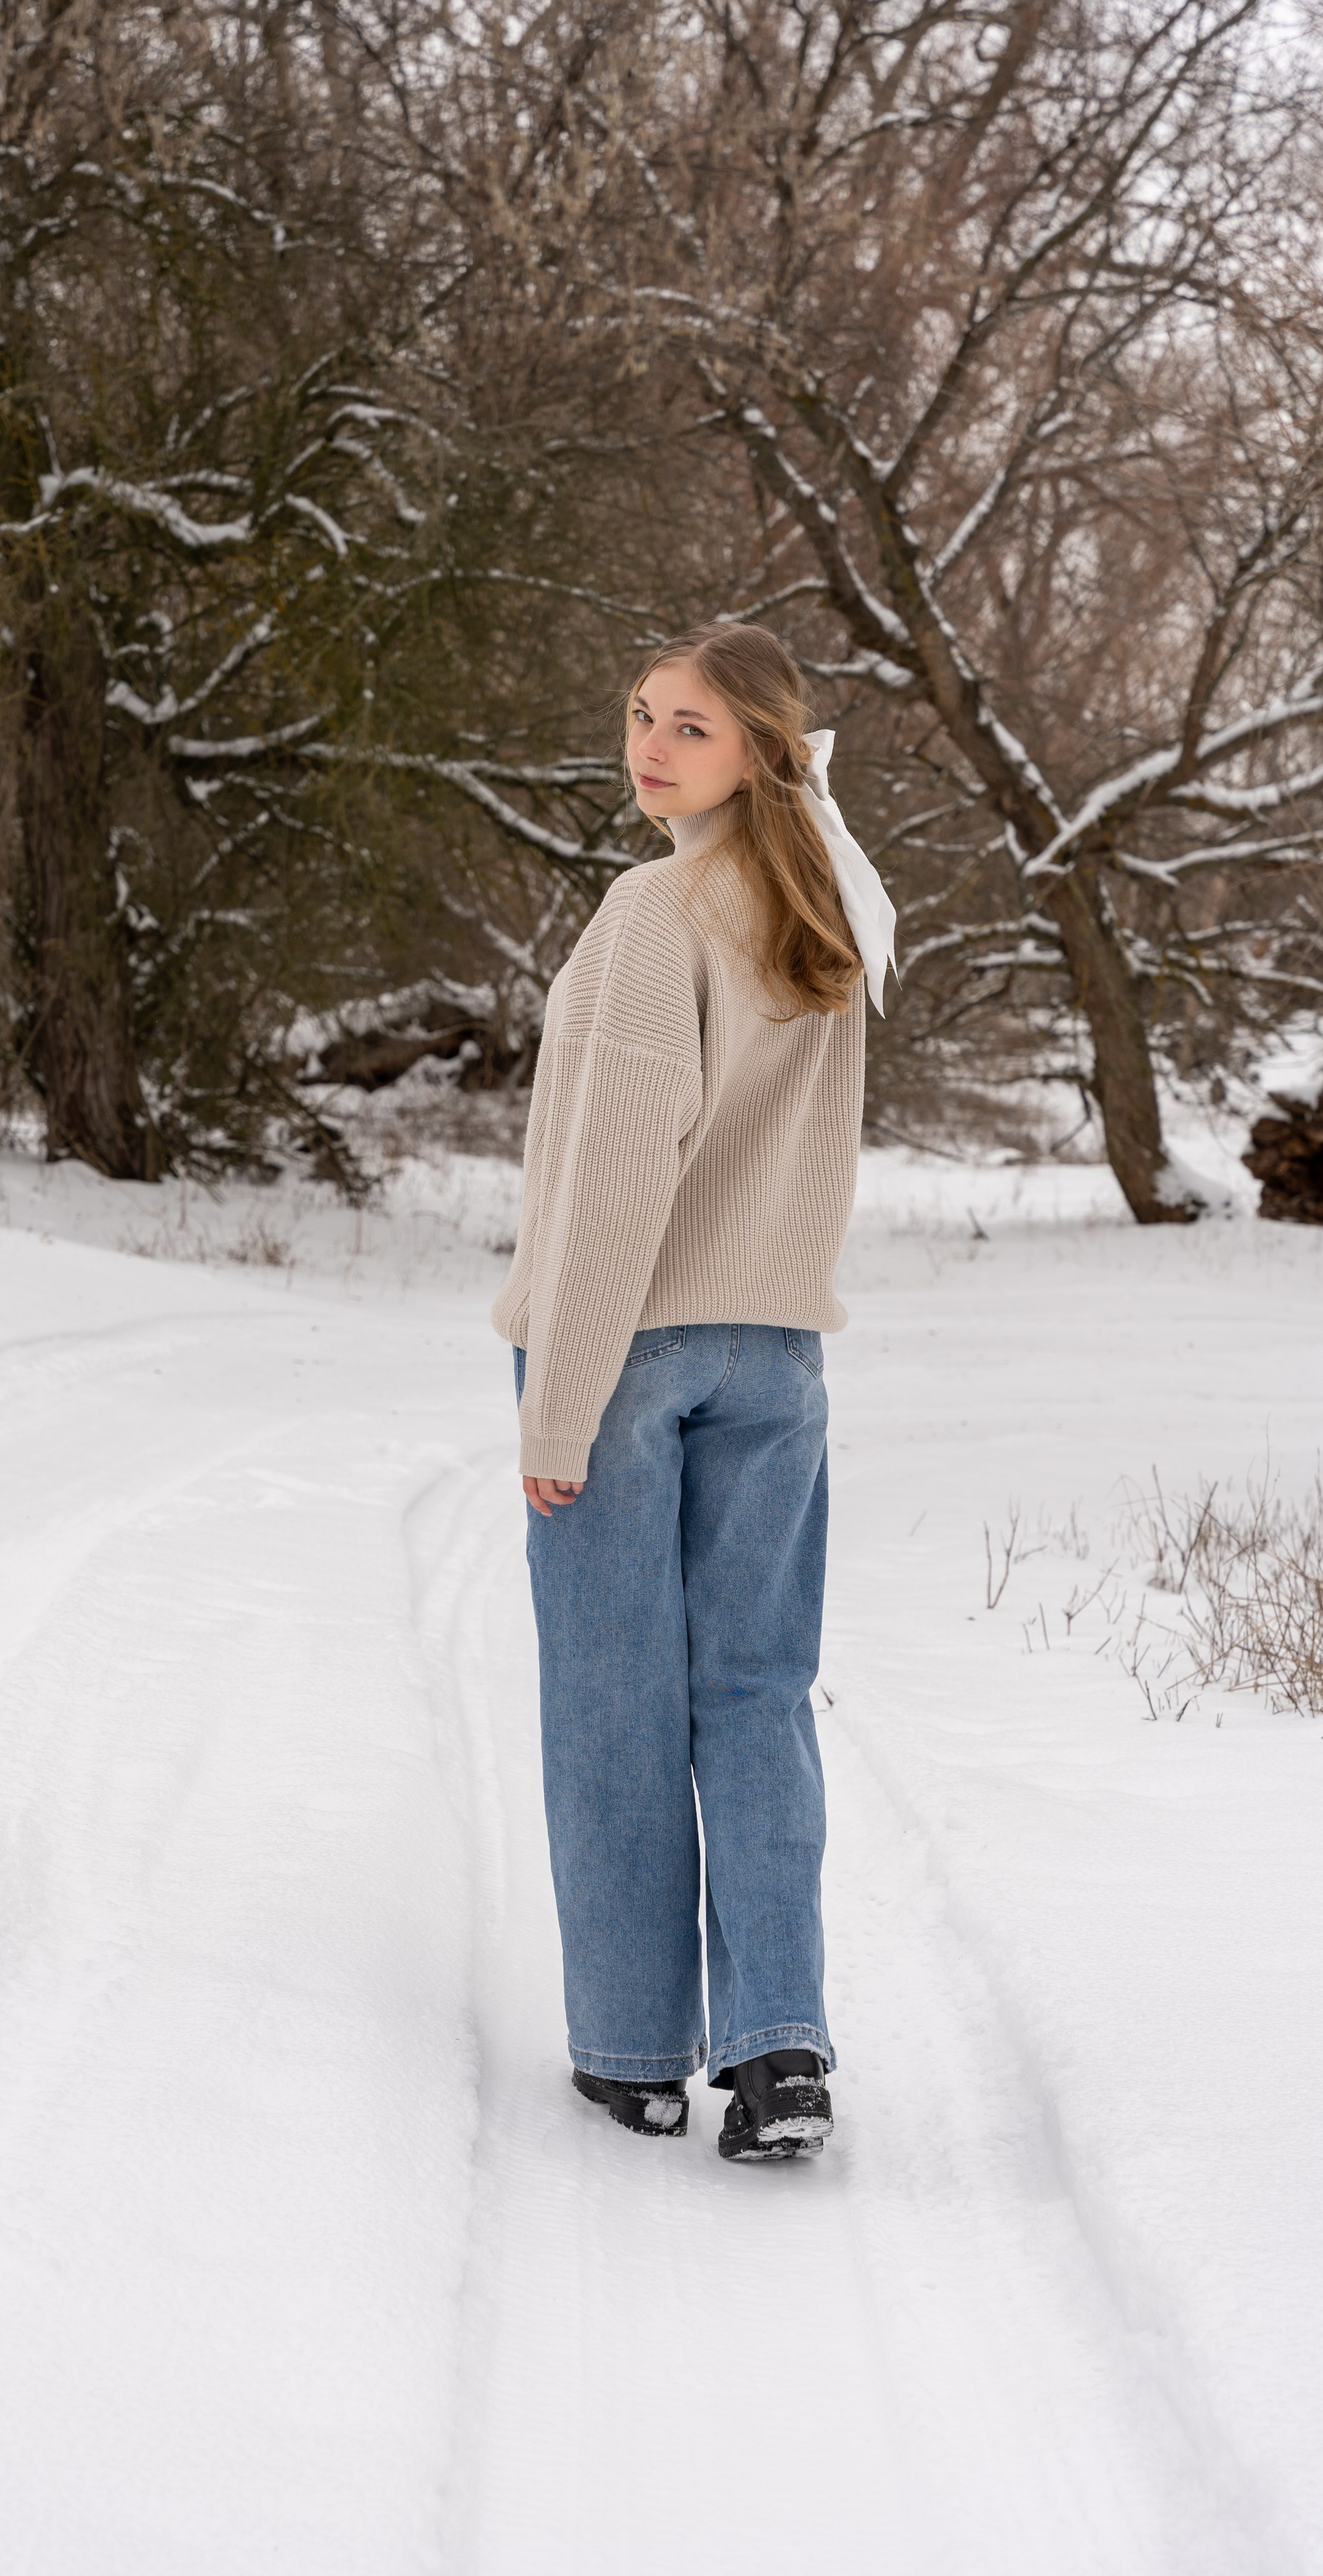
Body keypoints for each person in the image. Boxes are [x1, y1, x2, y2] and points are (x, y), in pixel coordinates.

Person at [490, 623, 896, 2162]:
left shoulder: (648, 914)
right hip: (775, 1357)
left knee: (611, 1699)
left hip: (631, 1347)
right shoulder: (826, 913)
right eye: (643, 716)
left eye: (694, 729)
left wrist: (559, 1406)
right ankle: (779, 2046)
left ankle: (635, 2049)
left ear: (760, 756)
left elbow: (610, 1187)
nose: (650, 747)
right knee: (751, 1693)